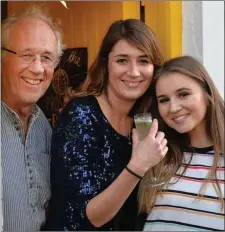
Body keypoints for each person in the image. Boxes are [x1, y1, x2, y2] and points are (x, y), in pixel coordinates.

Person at [43, 19, 168, 231]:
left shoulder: (146, 121)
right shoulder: (81, 115)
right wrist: (137, 166)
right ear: (106, 64)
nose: (134, 72)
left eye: (143, 61)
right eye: (122, 60)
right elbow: (86, 217)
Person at [138, 56, 225, 231]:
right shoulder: (159, 154)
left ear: (207, 94)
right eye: (164, 100)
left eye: (183, 94)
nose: (173, 108)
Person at [1, 5, 65, 231]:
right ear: (3, 57)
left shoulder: (44, 128)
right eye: (27, 55)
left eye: (47, 57)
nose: (38, 68)